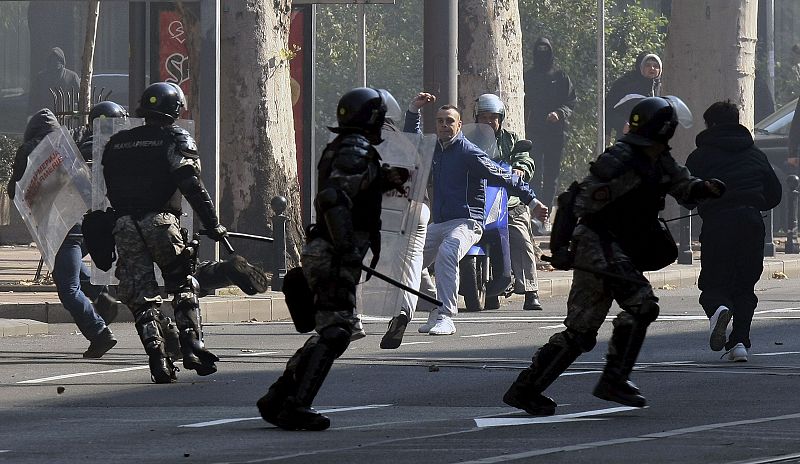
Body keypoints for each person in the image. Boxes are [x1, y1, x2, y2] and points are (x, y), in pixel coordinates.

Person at [503, 96, 725, 416]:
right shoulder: (620, 161)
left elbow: (685, 188)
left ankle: (525, 390)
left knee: (581, 331)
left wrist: (707, 188)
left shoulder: (659, 160)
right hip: (599, 243)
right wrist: (560, 248)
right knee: (641, 304)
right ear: (663, 130)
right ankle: (613, 379)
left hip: (621, 248)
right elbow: (572, 202)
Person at [256, 87, 410, 430]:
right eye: (380, 119)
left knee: (331, 328)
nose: (382, 126)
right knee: (337, 331)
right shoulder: (356, 148)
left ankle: (278, 397)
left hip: (331, 250)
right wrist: (346, 246)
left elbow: (350, 188)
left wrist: (385, 180)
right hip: (333, 252)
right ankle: (295, 403)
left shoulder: (347, 149)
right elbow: (332, 196)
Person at [102, 82, 265, 383]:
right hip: (161, 222)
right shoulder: (173, 137)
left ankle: (158, 361)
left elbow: (107, 187)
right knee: (182, 284)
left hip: (124, 225)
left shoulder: (118, 143)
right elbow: (191, 184)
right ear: (175, 109)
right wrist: (213, 224)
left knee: (142, 297)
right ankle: (193, 346)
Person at [405, 100, 540, 336]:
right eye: (440, 121)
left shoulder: (469, 152)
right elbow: (413, 140)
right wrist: (413, 111)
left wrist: (532, 200)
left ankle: (447, 316)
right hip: (440, 223)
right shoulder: (434, 148)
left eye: (450, 121)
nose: (444, 125)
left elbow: (503, 176)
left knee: (448, 252)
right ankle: (434, 308)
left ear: (459, 125)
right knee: (410, 256)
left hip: (467, 222)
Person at [7, 106, 120, 358]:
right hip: (84, 224)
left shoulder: (29, 152)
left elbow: (14, 190)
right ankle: (102, 298)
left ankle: (98, 332)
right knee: (73, 270)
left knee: (67, 289)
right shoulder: (68, 148)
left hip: (61, 230)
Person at [685, 101, 781, 362]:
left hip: (719, 223)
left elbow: (687, 194)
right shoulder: (755, 154)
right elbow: (774, 194)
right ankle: (739, 343)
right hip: (751, 222)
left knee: (714, 281)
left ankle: (719, 310)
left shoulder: (700, 156)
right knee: (745, 285)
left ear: (711, 124)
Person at [474, 93, 547, 311]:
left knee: (520, 236)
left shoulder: (511, 139)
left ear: (500, 118)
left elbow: (524, 157)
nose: (488, 121)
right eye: (483, 117)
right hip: (478, 200)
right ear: (476, 118)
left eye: (492, 117)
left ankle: (530, 290)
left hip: (509, 200)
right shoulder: (468, 140)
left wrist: (520, 169)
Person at [523, 37, 576, 212]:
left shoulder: (560, 76)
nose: (542, 54)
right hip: (533, 132)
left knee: (552, 175)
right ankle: (533, 211)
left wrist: (559, 113)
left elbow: (570, 101)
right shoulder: (527, 77)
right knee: (534, 173)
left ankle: (545, 213)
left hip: (555, 133)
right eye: (540, 50)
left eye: (546, 50)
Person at [606, 52, 663, 141]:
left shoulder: (663, 89)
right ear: (641, 68)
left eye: (656, 66)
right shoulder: (628, 87)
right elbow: (608, 110)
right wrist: (621, 125)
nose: (652, 68)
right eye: (648, 65)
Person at [29, 47, 81, 114]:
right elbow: (33, 99)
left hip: (66, 117)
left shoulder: (72, 77)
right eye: (51, 61)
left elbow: (80, 99)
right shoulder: (41, 78)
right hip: (46, 117)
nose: (54, 64)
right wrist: (31, 114)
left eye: (57, 61)